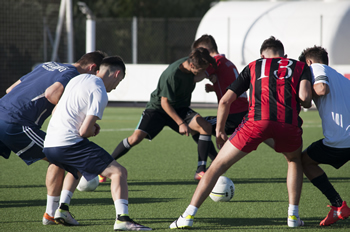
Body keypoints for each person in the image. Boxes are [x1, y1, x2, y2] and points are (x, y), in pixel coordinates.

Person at [169, 36, 313, 229]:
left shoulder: (254, 66)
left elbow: (225, 101)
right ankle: (293, 217)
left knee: (217, 166)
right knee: (294, 160)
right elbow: (305, 99)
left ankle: (187, 216)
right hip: (288, 124)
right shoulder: (300, 67)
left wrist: (220, 130)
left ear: (262, 56)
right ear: (284, 55)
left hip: (255, 123)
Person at [42, 56, 152, 231]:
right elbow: (84, 132)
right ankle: (123, 219)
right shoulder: (99, 90)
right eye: (120, 81)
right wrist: (92, 129)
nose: (116, 86)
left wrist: (89, 126)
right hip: (68, 143)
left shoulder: (78, 79)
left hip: (49, 144)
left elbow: (57, 111)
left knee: (75, 167)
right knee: (119, 172)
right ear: (117, 74)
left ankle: (62, 209)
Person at [0, 51, 107, 225]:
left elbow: (10, 89)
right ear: (93, 68)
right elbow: (52, 94)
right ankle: (51, 214)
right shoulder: (73, 75)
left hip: (2, 110)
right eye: (97, 75)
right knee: (62, 154)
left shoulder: (47, 65)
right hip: (16, 122)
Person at [110, 48, 217, 180]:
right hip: (158, 109)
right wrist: (181, 123)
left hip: (180, 108)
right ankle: (105, 164)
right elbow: (164, 103)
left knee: (204, 126)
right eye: (200, 70)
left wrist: (208, 74)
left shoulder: (192, 64)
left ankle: (202, 170)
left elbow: (195, 77)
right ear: (191, 65)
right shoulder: (172, 74)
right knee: (135, 138)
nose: (202, 73)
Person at [298, 46, 350, 226]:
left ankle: (337, 205)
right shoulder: (341, 78)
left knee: (304, 161)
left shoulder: (314, 68)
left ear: (309, 62)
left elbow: (321, 89)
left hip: (341, 140)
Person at [190, 34, 249, 180]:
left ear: (204, 51)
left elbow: (197, 76)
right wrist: (214, 86)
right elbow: (229, 83)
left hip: (232, 114)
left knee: (196, 126)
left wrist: (185, 72)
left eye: (199, 54)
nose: (197, 59)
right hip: (243, 111)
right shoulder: (226, 61)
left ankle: (204, 168)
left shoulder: (214, 61)